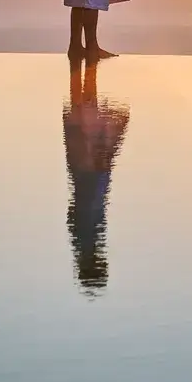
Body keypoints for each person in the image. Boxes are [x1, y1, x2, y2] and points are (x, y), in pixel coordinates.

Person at [61, 57, 130, 294]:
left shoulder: (84, 241)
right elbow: (79, 211)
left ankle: (87, 78)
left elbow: (80, 210)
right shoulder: (85, 241)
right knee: (85, 123)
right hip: (89, 175)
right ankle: (87, 78)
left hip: (89, 175)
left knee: (84, 123)